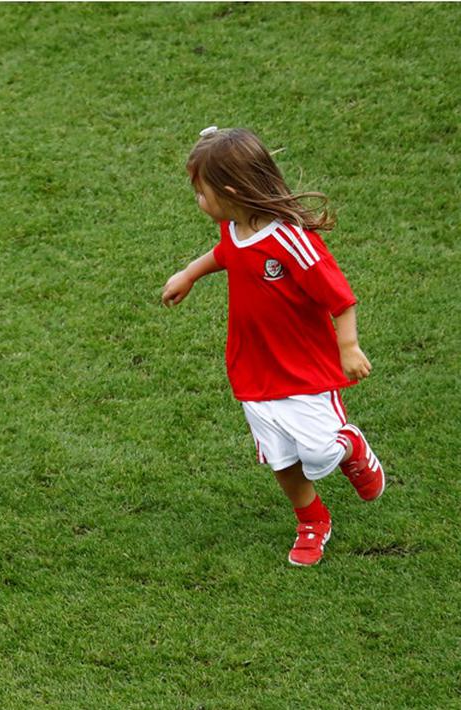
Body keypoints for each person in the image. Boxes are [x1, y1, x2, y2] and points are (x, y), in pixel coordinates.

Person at [160, 126, 386, 567]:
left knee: (319, 451)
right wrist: (190, 273)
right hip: (252, 367)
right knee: (281, 457)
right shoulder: (235, 228)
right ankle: (312, 520)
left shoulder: (291, 241)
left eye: (200, 192)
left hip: (304, 370)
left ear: (229, 191)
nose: (198, 202)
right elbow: (225, 254)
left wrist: (349, 346)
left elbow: (339, 296)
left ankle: (352, 448)